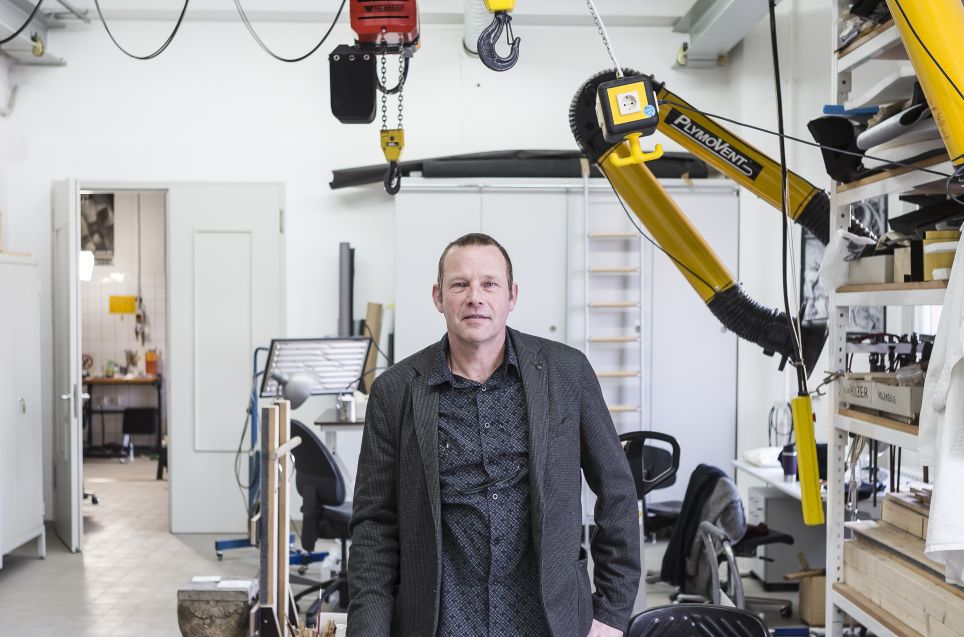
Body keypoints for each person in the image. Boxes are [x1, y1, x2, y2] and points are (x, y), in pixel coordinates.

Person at [348, 233, 640, 637]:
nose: (475, 296)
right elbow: (374, 526)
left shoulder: (567, 373)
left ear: (511, 295)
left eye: (489, 283)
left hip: (548, 620)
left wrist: (611, 614)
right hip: (440, 622)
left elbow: (617, 492)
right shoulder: (395, 391)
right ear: (438, 297)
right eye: (459, 284)